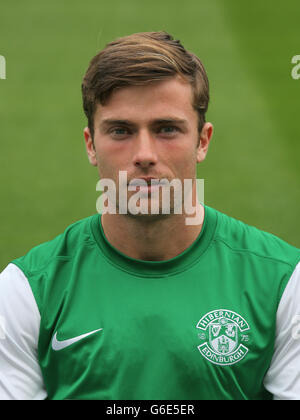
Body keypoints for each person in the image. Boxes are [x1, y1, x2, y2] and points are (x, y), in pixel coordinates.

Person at [0, 31, 299, 401]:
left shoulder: (284, 283)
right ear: (91, 145)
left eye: (166, 129)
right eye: (121, 131)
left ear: (202, 141)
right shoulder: (26, 292)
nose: (144, 153)